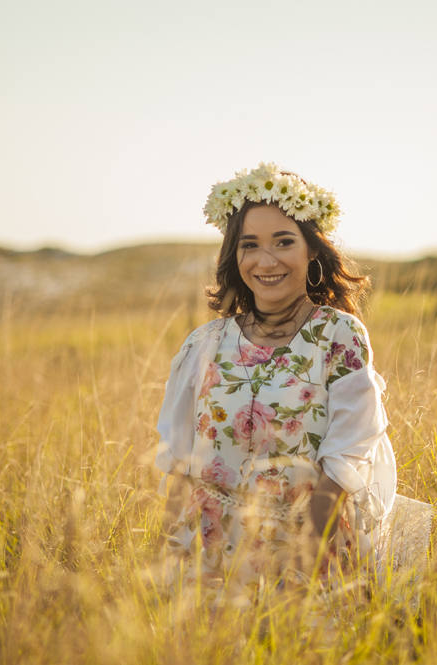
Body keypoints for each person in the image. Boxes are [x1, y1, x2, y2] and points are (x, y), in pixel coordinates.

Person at [155, 163, 397, 606]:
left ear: (312, 250)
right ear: (235, 256)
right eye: (250, 245)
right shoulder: (205, 343)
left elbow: (345, 456)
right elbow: (178, 461)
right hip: (208, 553)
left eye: (283, 242)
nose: (266, 261)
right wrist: (162, 559)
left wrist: (304, 561)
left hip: (307, 547)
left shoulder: (338, 335)